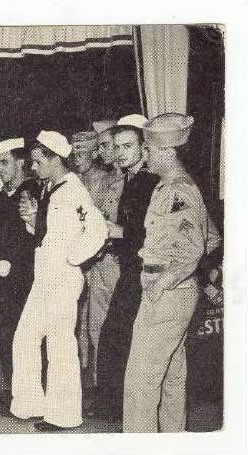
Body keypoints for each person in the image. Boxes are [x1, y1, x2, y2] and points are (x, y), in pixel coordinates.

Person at [123, 113, 216, 432]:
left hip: (167, 295)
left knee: (140, 384)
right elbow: (211, 234)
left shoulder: (178, 190)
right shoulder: (171, 186)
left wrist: (160, 282)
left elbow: (193, 252)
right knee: (172, 381)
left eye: (146, 149)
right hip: (174, 293)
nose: (144, 155)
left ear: (165, 152)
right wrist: (152, 252)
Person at [9, 130, 107, 432]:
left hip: (62, 278)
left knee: (60, 345)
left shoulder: (73, 190)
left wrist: (72, 258)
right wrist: (32, 220)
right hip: (44, 277)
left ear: (55, 159)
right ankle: (30, 403)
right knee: (24, 337)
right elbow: (48, 233)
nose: (33, 168)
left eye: (38, 162)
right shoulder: (50, 187)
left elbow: (97, 230)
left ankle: (63, 415)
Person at [92, 115, 160, 421]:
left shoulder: (151, 182)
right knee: (114, 336)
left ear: (144, 148)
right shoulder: (131, 180)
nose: (119, 153)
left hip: (148, 273)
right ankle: (115, 407)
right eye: (116, 146)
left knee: (119, 337)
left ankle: (121, 409)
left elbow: (158, 233)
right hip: (131, 268)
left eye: (127, 146)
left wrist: (121, 234)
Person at [0, 138, 39, 416]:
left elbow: (33, 239)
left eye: (4, 162)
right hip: (3, 277)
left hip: (26, 277)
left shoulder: (32, 192)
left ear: (21, 162)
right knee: (6, 335)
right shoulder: (1, 197)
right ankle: (15, 388)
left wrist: (12, 265)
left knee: (25, 337)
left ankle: (30, 393)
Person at [70, 130, 114, 385]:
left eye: (83, 152)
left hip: (102, 260)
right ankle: (83, 377)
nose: (77, 158)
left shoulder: (106, 180)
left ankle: (99, 381)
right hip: (78, 260)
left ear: (95, 153)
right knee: (78, 321)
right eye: (75, 153)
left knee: (98, 321)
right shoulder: (73, 179)